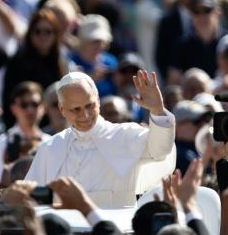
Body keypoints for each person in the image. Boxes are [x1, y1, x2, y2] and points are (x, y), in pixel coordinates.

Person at [25, 70, 176, 208]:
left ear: (98, 100)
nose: (85, 115)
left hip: (116, 229)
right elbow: (32, 197)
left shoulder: (125, 135)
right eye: (76, 109)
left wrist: (157, 110)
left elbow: (161, 150)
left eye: (89, 106)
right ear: (62, 109)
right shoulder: (51, 147)